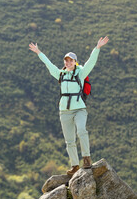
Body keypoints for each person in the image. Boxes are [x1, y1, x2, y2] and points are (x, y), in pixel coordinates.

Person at [28, 36, 109, 176]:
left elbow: (91, 62)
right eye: (66, 60)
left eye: (71, 60)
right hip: (64, 111)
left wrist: (97, 48)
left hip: (79, 109)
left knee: (82, 130)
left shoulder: (81, 73)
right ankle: (75, 166)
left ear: (75, 62)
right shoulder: (60, 74)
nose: (68, 62)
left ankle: (87, 159)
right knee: (69, 140)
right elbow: (49, 64)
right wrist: (38, 52)